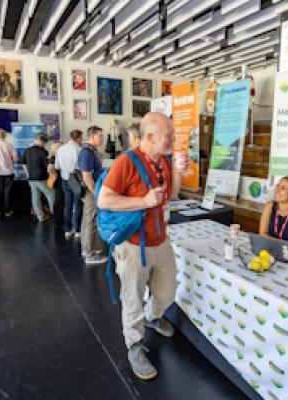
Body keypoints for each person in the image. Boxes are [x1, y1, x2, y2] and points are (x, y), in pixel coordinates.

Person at [98, 112, 189, 380]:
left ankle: (153, 315)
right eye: (168, 136)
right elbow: (104, 200)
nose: (172, 140)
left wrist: (179, 173)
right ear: (149, 137)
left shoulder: (164, 162)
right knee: (132, 297)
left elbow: (171, 195)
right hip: (133, 245)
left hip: (161, 242)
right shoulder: (126, 162)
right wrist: (144, 202)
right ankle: (134, 344)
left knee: (168, 290)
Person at [78, 126, 107, 264]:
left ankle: (88, 248)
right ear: (92, 136)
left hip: (92, 190)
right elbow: (87, 176)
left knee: (88, 221)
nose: (102, 138)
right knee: (90, 222)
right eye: (100, 136)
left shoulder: (92, 152)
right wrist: (96, 193)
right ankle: (89, 254)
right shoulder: (87, 153)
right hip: (91, 191)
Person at [20, 134, 55, 222]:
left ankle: (40, 216)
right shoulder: (44, 152)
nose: (45, 145)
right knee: (51, 195)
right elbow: (47, 167)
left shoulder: (27, 150)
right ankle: (54, 213)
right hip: (41, 177)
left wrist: (28, 173)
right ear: (43, 142)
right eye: (45, 143)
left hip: (31, 178)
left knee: (35, 197)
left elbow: (23, 163)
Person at [55, 130, 83, 239]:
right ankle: (77, 230)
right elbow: (81, 167)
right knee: (78, 204)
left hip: (65, 178)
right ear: (78, 138)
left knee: (67, 204)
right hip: (76, 179)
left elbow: (57, 166)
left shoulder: (60, 149)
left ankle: (67, 229)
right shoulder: (79, 150)